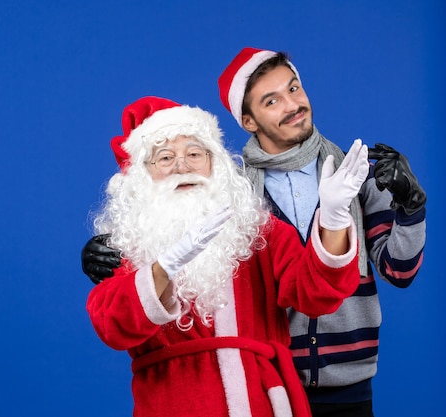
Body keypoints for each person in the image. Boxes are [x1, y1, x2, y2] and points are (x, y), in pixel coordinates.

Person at [81, 49, 427, 417]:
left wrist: (339, 215)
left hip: (290, 392)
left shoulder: (267, 220)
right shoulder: (140, 237)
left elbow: (326, 286)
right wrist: (157, 268)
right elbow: (111, 324)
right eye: (165, 158)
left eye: (195, 153)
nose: (182, 165)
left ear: (214, 162)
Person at [214, 47, 427, 417]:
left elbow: (400, 271)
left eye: (294, 89)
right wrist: (119, 256)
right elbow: (189, 271)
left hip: (351, 389)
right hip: (267, 387)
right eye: (272, 100)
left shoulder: (354, 174)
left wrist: (411, 207)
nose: (293, 104)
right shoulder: (231, 192)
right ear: (248, 121)